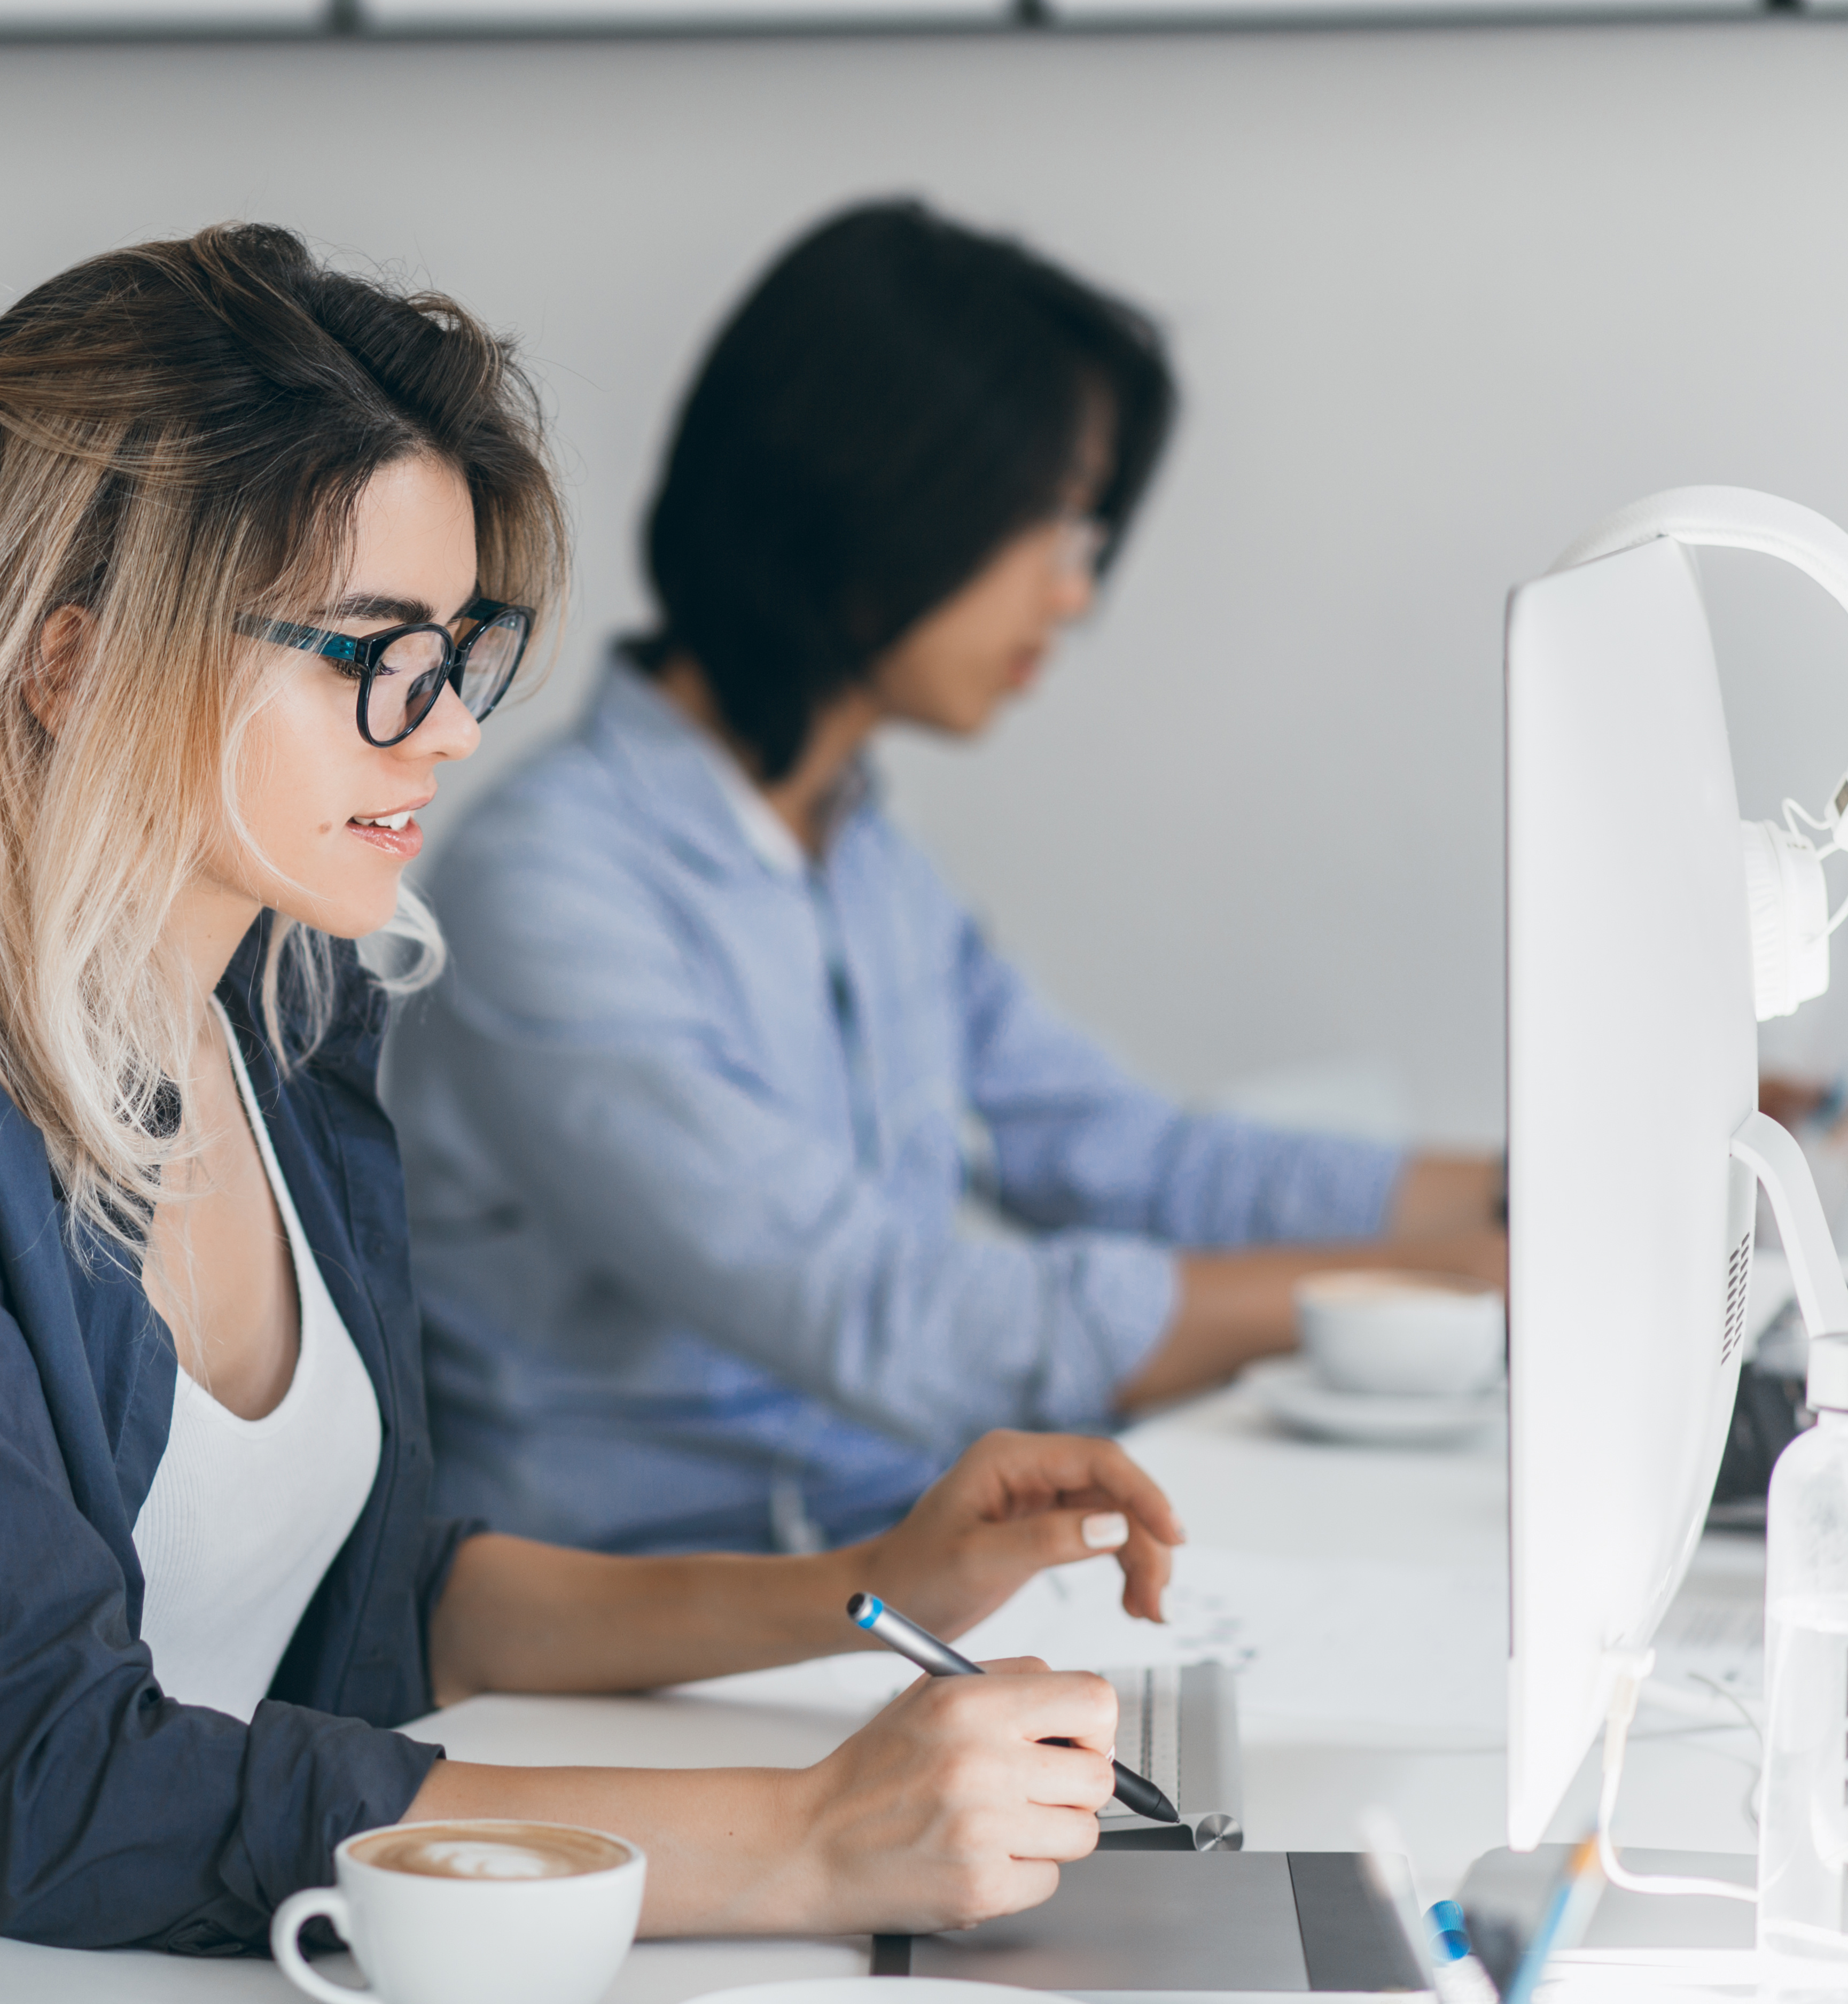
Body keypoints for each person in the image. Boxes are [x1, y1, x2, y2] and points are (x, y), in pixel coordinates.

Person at [0, 223, 1192, 2004]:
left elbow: (377, 1601)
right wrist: (806, 1836)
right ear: (69, 664)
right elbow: (58, 1785)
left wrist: (858, 1585)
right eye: (370, 651)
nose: (438, 729)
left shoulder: (286, 1019)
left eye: (456, 651)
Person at [385, 200, 1508, 1560]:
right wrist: (1434, 1286)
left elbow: (1135, 1162)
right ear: (872, 491)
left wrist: (1558, 1184)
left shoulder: (861, 858)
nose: (1072, 596)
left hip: (897, 1574)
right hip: (663, 1644)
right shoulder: (546, 892)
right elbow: (891, 1317)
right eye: (1046, 525)